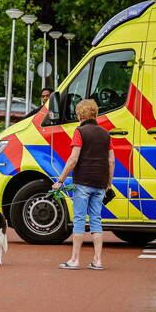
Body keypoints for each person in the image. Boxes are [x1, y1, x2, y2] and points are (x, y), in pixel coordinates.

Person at [52, 99, 115, 270]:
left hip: (83, 182)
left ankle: (74, 260)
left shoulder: (80, 132)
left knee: (79, 220)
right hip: (100, 183)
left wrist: (60, 180)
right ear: (95, 114)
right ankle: (98, 260)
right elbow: (111, 161)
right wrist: (108, 183)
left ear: (80, 115)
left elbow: (73, 159)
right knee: (96, 220)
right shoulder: (105, 134)